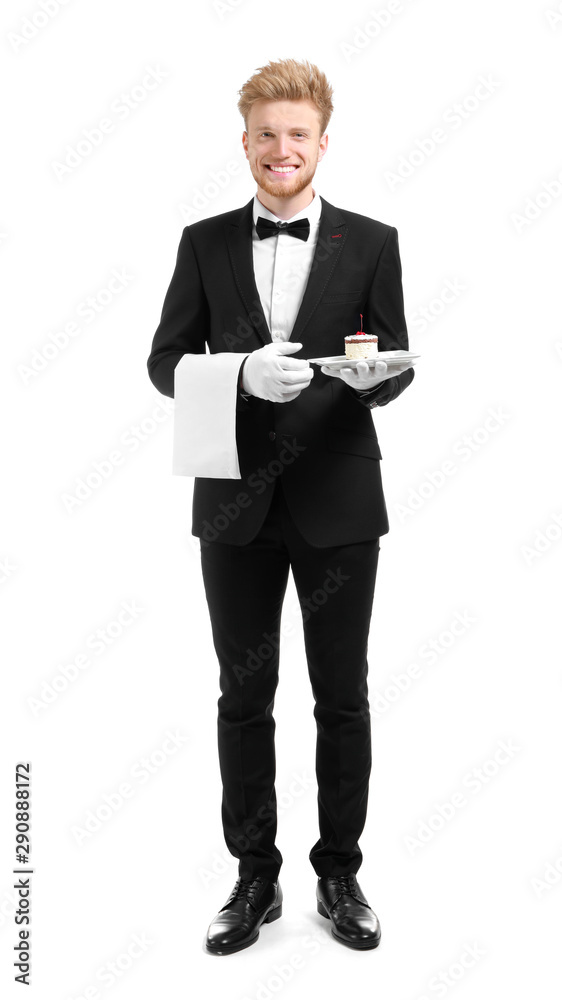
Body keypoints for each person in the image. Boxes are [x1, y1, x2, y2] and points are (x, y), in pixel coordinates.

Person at [147, 57, 416, 955]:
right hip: (234, 507)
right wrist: (235, 373)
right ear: (246, 143)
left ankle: (339, 873)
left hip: (341, 503)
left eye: (297, 134)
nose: (281, 149)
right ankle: (254, 875)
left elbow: (391, 359)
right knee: (243, 696)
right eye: (266, 134)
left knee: (343, 697)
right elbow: (163, 362)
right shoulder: (203, 241)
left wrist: (378, 380)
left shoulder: (374, 240)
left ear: (323, 142)